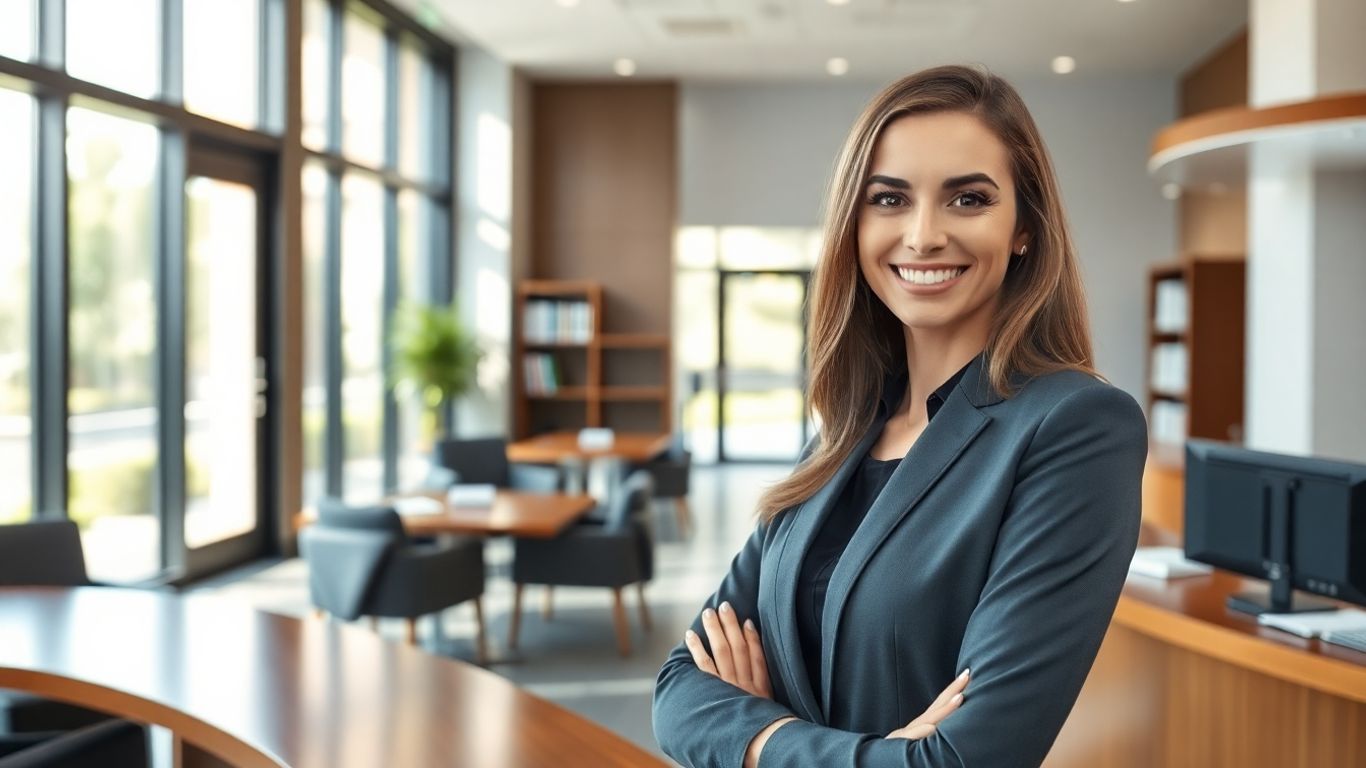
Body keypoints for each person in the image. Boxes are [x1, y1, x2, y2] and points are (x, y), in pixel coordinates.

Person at [652, 64, 1147, 768]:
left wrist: (751, 729)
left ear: (1024, 229)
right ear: (855, 223)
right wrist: (840, 749)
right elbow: (678, 688)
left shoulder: (1077, 429)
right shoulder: (842, 432)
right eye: (888, 199)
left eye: (968, 199)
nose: (922, 236)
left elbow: (966, 759)